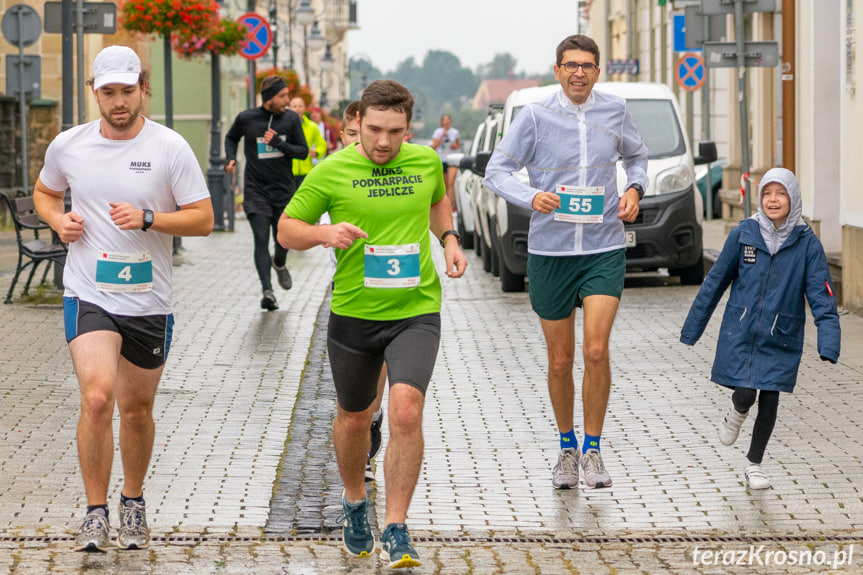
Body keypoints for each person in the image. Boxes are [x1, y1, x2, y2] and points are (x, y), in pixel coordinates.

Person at [278, 80, 467, 568]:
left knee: (406, 411)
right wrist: (324, 232)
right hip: (355, 313)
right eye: (376, 130)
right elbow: (286, 228)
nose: (384, 142)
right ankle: (355, 502)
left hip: (415, 309)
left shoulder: (425, 161)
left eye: (396, 132)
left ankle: (398, 527)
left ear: (410, 126)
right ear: (358, 121)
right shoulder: (332, 170)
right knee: (355, 417)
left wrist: (448, 238)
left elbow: (435, 200)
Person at [32, 46, 214, 552]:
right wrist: (57, 219)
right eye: (107, 92)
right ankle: (95, 512)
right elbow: (45, 192)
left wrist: (150, 218)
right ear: (94, 91)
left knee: (136, 409)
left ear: (143, 89)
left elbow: (203, 218)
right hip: (89, 291)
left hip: (149, 299)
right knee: (96, 398)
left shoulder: (170, 148)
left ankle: (131, 501)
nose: (117, 101)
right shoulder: (69, 145)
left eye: (126, 91)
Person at [483, 34, 648, 490]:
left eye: (588, 65)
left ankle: (594, 450)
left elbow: (637, 156)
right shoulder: (535, 115)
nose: (579, 72)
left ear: (598, 71)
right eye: (571, 64)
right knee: (560, 360)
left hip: (602, 246)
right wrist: (531, 195)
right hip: (551, 250)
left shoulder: (614, 111)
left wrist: (635, 190)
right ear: (557, 70)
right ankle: (567, 448)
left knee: (595, 349)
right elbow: (497, 170)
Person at [680, 168, 840, 490]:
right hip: (741, 330)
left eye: (780, 194)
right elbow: (714, 282)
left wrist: (829, 342)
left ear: (792, 199)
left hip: (781, 334)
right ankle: (737, 411)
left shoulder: (807, 244)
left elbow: (822, 296)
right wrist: (692, 329)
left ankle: (754, 464)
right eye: (767, 193)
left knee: (769, 396)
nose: (773, 200)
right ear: (760, 198)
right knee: (746, 390)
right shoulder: (744, 234)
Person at [225, 76, 308, 311]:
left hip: (283, 190)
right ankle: (267, 292)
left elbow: (302, 152)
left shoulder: (291, 119)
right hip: (255, 190)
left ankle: (279, 263)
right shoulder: (247, 118)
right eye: (282, 96)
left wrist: (279, 143)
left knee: (282, 239)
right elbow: (231, 137)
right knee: (261, 239)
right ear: (269, 97)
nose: (287, 100)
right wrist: (230, 157)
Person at [289, 96, 327, 188]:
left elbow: (322, 144)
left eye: (300, 106)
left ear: (305, 108)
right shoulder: (284, 126)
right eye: (294, 106)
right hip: (289, 171)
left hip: (306, 171)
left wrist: (316, 152)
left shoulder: (312, 126)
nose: (297, 109)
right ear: (290, 108)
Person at [431, 114, 461, 209]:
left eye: (448, 120)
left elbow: (458, 145)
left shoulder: (455, 132)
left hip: (451, 159)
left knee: (451, 182)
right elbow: (433, 146)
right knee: (444, 183)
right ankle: (445, 204)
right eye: (445, 120)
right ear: (442, 122)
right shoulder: (438, 132)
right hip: (441, 159)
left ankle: (452, 204)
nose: (446, 122)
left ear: (450, 121)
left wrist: (454, 146)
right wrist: (441, 137)